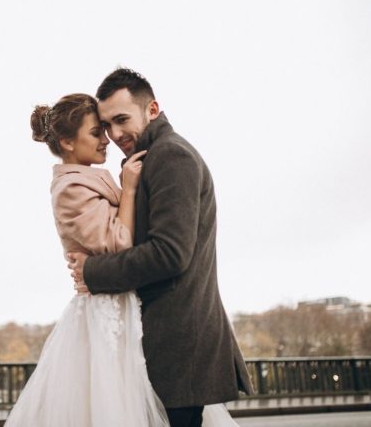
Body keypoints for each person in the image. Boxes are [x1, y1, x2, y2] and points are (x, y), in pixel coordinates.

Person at [5, 92, 237, 427]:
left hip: (122, 309)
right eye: (96, 132)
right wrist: (128, 190)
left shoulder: (91, 178)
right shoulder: (71, 187)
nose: (106, 139)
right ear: (68, 142)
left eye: (106, 129)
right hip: (106, 316)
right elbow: (119, 243)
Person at [67, 68, 253, 427]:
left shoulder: (171, 156)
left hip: (178, 346)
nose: (114, 134)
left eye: (122, 120)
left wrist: (92, 271)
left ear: (152, 109)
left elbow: (170, 253)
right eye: (106, 125)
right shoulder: (151, 158)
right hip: (170, 345)